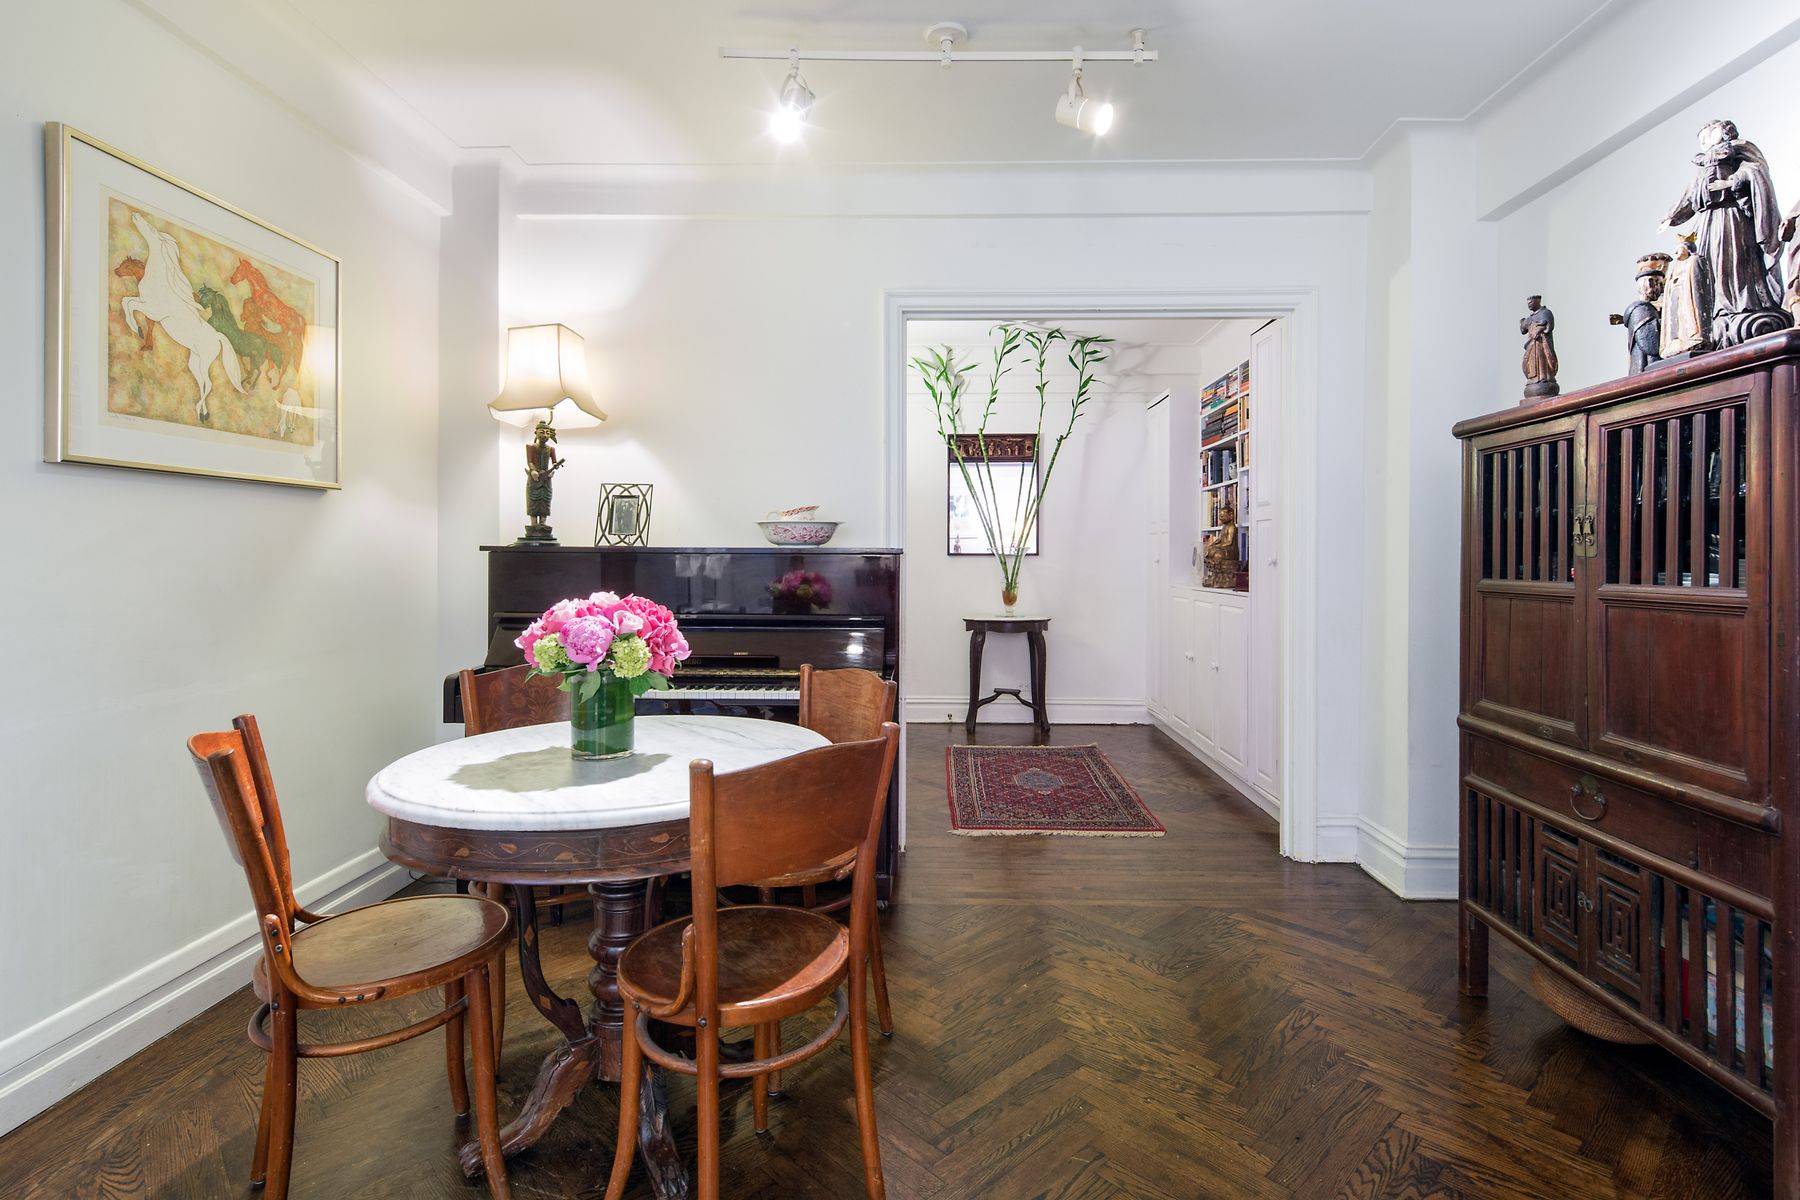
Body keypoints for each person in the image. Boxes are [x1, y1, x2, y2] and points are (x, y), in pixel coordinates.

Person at [1664, 120, 1784, 341]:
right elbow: (1690, 194)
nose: (1705, 142)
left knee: (1733, 262)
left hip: (1731, 218)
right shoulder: (1702, 165)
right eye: (1701, 139)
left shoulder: (1739, 149)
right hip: (1707, 223)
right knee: (1709, 266)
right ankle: (1717, 311)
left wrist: (1730, 182)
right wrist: (1671, 216)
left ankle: (1743, 305)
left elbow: (1755, 171)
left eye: (1708, 136)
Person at [1610, 257, 1668, 375]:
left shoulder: (1644, 309)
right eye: (1660, 284)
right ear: (1651, 284)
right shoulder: (1643, 310)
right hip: (1648, 369)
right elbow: (1650, 345)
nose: (1661, 289)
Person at [1521, 296, 1559, 398]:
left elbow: (1548, 326)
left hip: (1542, 343)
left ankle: (1544, 378)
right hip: (1532, 344)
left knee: (1542, 361)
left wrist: (1540, 329)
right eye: (1528, 303)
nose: (1529, 305)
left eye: (1531, 303)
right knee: (1531, 362)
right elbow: (1523, 329)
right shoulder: (1530, 317)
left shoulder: (1545, 313)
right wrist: (1522, 323)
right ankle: (1534, 378)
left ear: (1537, 301)